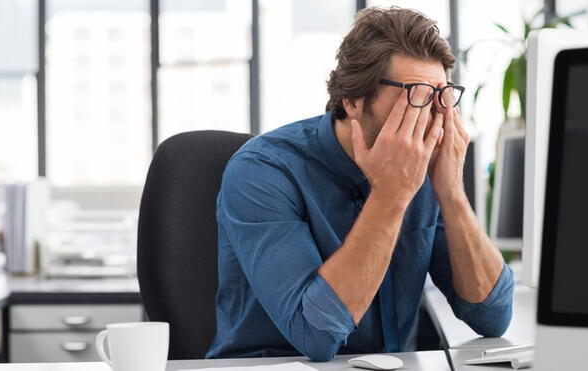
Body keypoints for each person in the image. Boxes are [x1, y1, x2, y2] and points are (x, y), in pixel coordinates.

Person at [206, 6, 514, 361]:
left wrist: (451, 193)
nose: (432, 117)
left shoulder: (428, 168)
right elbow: (316, 337)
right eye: (416, 95)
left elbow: (492, 316)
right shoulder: (262, 171)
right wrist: (391, 194)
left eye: (442, 96)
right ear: (353, 100)